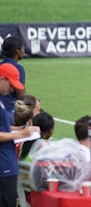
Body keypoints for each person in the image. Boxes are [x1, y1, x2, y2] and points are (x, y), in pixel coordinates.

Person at [0, 64, 39, 207]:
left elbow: (2, 127)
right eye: (11, 85)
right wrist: (22, 133)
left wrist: (21, 129)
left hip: (6, 164)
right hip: (3, 167)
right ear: (2, 79)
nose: (12, 90)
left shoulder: (1, 101)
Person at [0, 37, 26, 125]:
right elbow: (21, 95)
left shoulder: (1, 66)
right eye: (22, 48)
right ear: (17, 51)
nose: (24, 51)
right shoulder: (17, 68)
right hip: (10, 110)